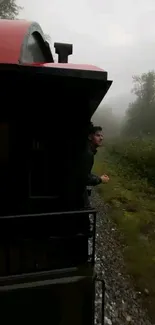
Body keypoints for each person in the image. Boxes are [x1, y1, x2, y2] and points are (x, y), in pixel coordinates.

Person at [84, 123, 109, 207]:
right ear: (90, 137)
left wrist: (97, 177)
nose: (101, 138)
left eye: (102, 136)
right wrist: (100, 179)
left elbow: (84, 173)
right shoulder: (87, 153)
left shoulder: (87, 150)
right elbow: (82, 178)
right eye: (98, 135)